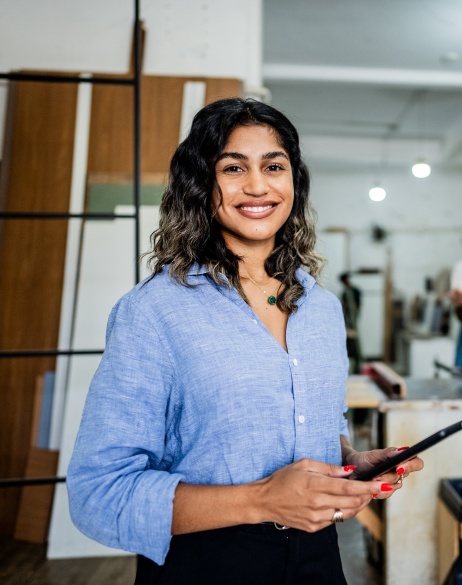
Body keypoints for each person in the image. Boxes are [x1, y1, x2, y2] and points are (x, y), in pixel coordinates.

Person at [67, 98, 423, 585]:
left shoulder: (322, 309)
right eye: (233, 168)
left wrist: (350, 462)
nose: (257, 185)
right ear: (200, 185)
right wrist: (262, 498)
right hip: (206, 563)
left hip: (319, 560)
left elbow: (314, 422)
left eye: (273, 166)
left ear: (293, 181)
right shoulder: (154, 312)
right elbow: (98, 494)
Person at [338, 272, 362, 374]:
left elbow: (357, 308)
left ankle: (357, 369)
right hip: (348, 324)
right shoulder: (345, 294)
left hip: (352, 324)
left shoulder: (355, 291)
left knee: (355, 347)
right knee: (350, 347)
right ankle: (352, 368)